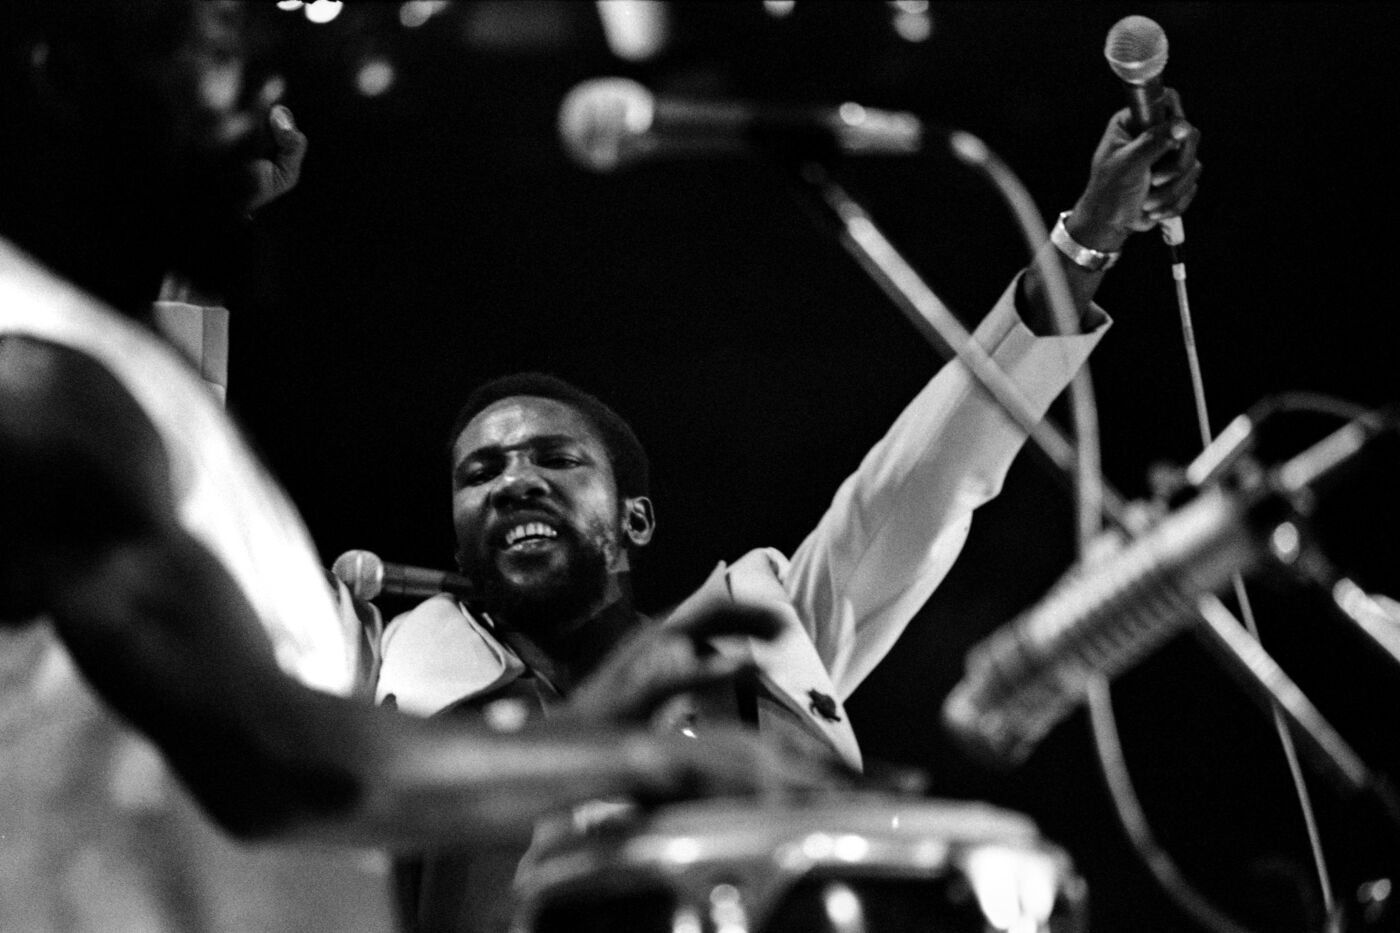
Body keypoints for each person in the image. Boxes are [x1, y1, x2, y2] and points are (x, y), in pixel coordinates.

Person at [0, 3, 831, 932]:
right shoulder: (33, 386)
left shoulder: (101, 370)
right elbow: (277, 760)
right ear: (60, 70)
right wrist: (622, 752)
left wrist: (190, 211)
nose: (269, 91)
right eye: (219, 46)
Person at [374, 86, 1202, 930]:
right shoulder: (382, 671)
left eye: (556, 458)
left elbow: (924, 479)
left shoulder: (758, 648)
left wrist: (1086, 241)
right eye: (481, 471)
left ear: (635, 522)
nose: (514, 481)